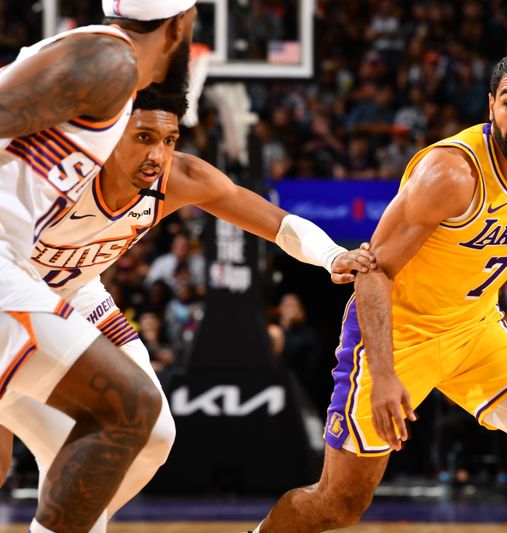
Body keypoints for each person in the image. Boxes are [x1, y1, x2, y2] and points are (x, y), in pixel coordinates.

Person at [254, 45, 507, 533]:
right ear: (491, 106)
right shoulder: (450, 174)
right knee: (338, 504)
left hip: (475, 333)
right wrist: (383, 372)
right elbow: (373, 272)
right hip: (397, 337)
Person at [0, 88, 377, 525]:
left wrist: (333, 255)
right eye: (143, 137)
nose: (158, 154)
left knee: (153, 435)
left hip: (79, 294)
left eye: (169, 140)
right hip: (12, 295)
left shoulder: (179, 179)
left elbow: (278, 224)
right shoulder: (54, 173)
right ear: (106, 133)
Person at [0, 2, 197, 531]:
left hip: (16, 268)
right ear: (182, 24)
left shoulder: (110, 72)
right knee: (129, 407)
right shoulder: (110, 62)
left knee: (143, 427)